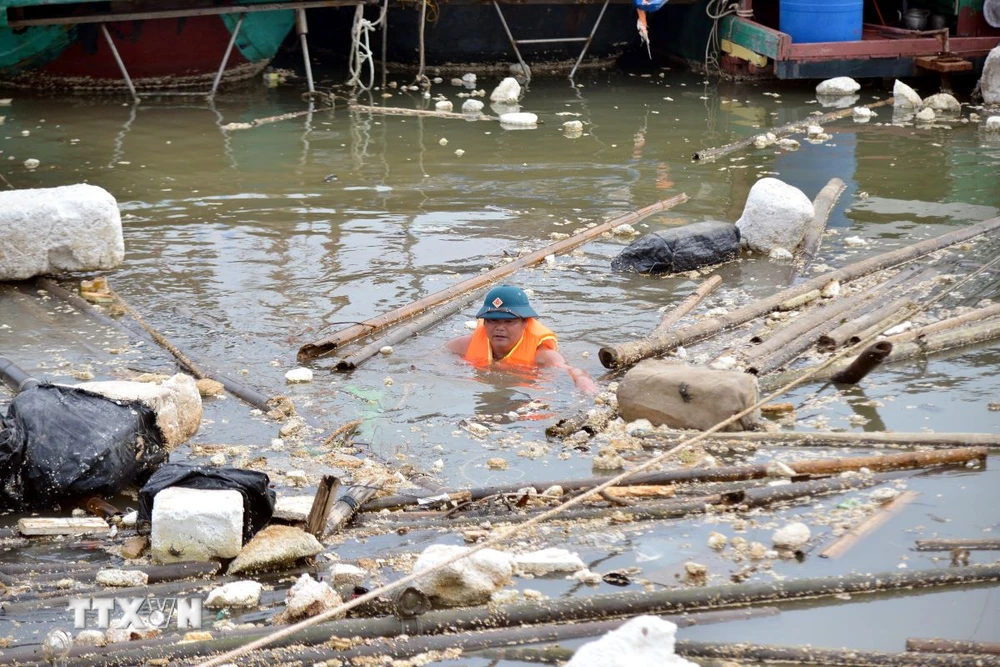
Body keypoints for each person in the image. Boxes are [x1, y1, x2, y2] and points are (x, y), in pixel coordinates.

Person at [446, 285, 599, 395]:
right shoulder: (462, 346)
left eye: (509, 321)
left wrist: (582, 380)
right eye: (492, 320)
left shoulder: (541, 356)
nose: (499, 328)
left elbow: (570, 369)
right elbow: (432, 358)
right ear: (484, 322)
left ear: (525, 323)